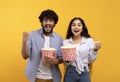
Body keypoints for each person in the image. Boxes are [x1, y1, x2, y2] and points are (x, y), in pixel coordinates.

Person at [21, 9, 63, 82]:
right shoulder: (32, 35)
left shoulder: (59, 38)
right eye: (45, 20)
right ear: (41, 22)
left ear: (54, 23)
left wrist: (56, 61)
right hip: (36, 76)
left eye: (50, 21)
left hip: (53, 77)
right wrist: (24, 43)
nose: (48, 23)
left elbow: (61, 58)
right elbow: (25, 56)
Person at [63, 17, 101, 82]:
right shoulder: (66, 42)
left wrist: (95, 50)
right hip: (70, 71)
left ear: (82, 28)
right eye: (73, 25)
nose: (76, 27)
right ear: (71, 28)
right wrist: (67, 60)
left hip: (84, 70)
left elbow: (90, 60)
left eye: (79, 25)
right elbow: (66, 63)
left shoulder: (89, 41)